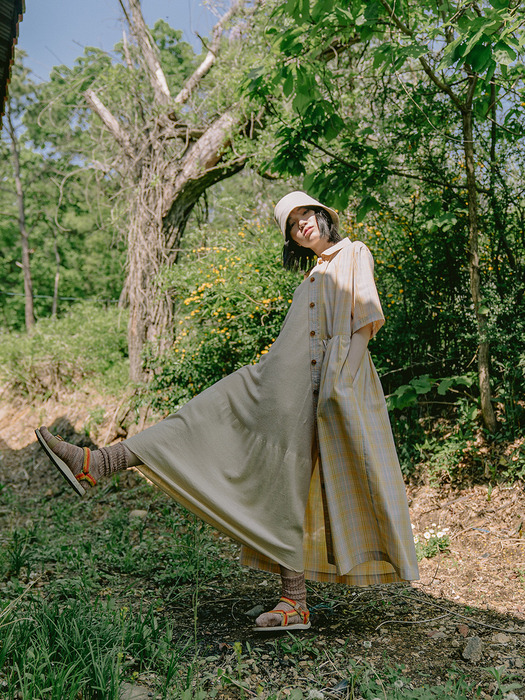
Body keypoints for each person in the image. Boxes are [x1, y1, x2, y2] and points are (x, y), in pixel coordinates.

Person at [36, 191, 419, 632]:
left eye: (305, 216)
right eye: (293, 226)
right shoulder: (311, 277)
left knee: (284, 486)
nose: (302, 226)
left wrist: (341, 386)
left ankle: (294, 603)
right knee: (203, 421)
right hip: (272, 386)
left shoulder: (353, 253)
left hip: (321, 391)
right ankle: (97, 463)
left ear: (322, 216)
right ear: (292, 240)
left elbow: (365, 320)